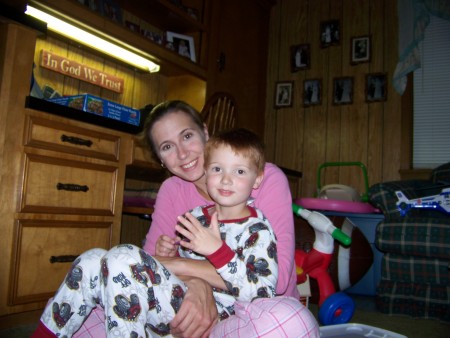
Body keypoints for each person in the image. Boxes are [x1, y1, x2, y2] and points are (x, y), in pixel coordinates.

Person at [35, 100, 303, 337]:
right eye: (167, 147)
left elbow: (274, 284)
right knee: (95, 267)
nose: (183, 153)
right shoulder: (178, 196)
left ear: (205, 132)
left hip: (247, 314)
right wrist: (193, 279)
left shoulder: (260, 180)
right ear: (161, 160)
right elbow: (144, 269)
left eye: (187, 136)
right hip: (184, 308)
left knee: (288, 323)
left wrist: (184, 266)